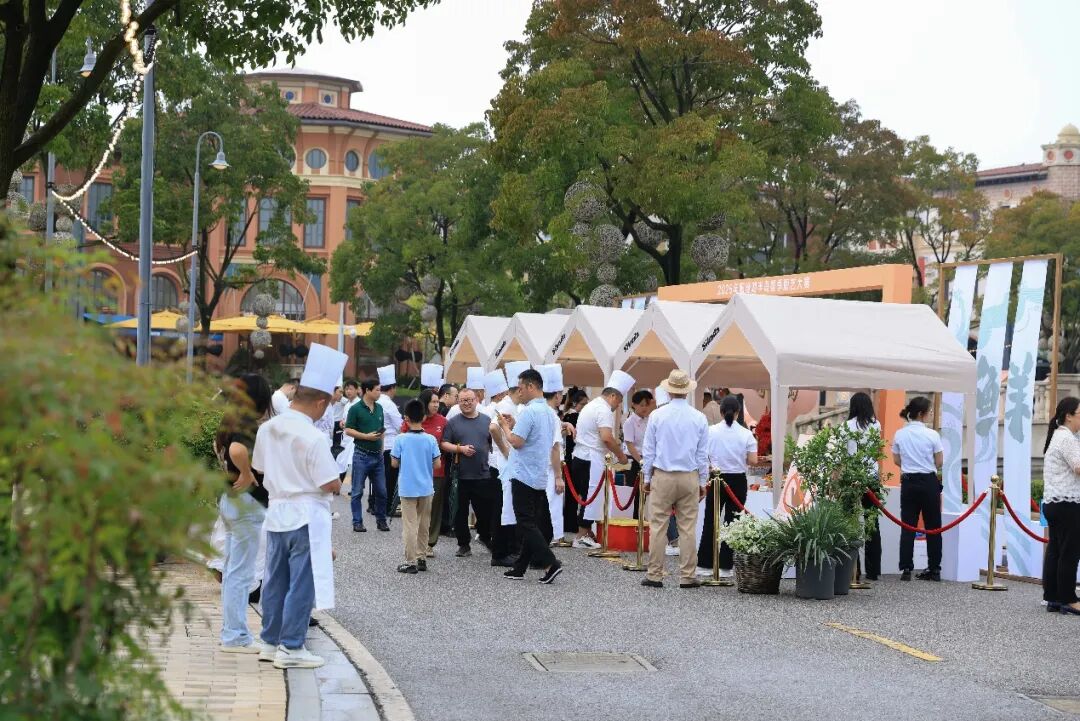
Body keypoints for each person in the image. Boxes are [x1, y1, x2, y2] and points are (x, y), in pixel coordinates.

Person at [253, 344, 346, 669]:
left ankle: (270, 641)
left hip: (277, 512)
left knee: (275, 581)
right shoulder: (313, 436)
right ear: (320, 401)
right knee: (301, 583)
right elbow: (330, 482)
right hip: (306, 515)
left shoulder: (268, 427)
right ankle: (291, 647)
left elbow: (259, 467)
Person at [215, 374, 272, 653]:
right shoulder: (247, 424)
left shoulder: (229, 422)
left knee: (232, 570)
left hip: (231, 500)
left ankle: (232, 630)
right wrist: (248, 473)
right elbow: (237, 450)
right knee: (240, 573)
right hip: (247, 504)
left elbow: (224, 450)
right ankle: (235, 635)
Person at [641, 369, 709, 590]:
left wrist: (647, 477)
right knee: (687, 528)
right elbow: (702, 455)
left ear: (669, 391)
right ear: (687, 391)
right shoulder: (699, 417)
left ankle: (655, 574)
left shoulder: (657, 416)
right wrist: (702, 481)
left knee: (658, 526)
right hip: (689, 475)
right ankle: (687, 576)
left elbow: (649, 450)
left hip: (663, 475)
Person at [499, 368, 564, 583]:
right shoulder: (548, 412)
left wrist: (505, 427)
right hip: (538, 473)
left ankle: (550, 563)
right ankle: (520, 568)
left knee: (526, 522)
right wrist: (514, 425)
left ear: (530, 386)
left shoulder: (529, 411)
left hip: (523, 473)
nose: (519, 392)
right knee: (531, 522)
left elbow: (517, 441)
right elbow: (534, 436)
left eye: (520, 387)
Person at [569, 371, 633, 548]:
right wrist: (621, 455)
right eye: (619, 401)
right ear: (613, 396)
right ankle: (582, 535)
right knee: (591, 496)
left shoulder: (592, 405)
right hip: (591, 458)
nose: (618, 405)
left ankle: (585, 532)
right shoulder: (603, 410)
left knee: (587, 495)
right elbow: (606, 437)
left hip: (582, 456)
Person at [699, 395, 757, 578]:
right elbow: (753, 460)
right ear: (738, 412)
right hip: (737, 480)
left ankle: (705, 564)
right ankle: (726, 566)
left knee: (710, 521)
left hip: (716, 478)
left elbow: (703, 455)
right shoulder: (746, 434)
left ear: (721, 412)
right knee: (732, 523)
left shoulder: (711, 431)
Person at [891, 396, 944, 582]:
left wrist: (910, 465)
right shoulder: (932, 435)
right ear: (922, 414)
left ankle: (906, 567)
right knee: (933, 526)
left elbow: (896, 460)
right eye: (929, 412)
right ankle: (934, 568)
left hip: (909, 481)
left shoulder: (900, 434)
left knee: (908, 525)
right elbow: (939, 461)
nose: (930, 414)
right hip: (928, 481)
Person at [392, 399, 442, 574]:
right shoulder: (431, 439)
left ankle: (410, 561)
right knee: (424, 524)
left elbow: (394, 463)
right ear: (423, 417)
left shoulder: (400, 439)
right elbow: (437, 464)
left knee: (410, 525)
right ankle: (422, 558)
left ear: (406, 418)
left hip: (407, 488)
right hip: (426, 487)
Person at [442, 387, 494, 558]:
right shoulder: (453, 422)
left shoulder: (487, 420)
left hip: (482, 474)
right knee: (460, 512)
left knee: (485, 511)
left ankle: (485, 536)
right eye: (463, 400)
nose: (467, 403)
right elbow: (444, 444)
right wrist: (460, 449)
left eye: (470, 400)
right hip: (460, 475)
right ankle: (463, 544)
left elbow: (493, 443)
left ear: (476, 400)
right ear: (458, 402)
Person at [1042, 396, 1080, 614]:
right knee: (1069, 551)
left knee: (1056, 550)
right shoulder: (1067, 438)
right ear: (1069, 416)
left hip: (1054, 502)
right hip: (1067, 503)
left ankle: (1053, 596)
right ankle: (1069, 598)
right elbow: (1078, 466)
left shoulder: (1058, 435)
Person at [490, 361, 531, 564]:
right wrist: (505, 450)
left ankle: (510, 549)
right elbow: (493, 428)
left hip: (510, 462)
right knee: (503, 508)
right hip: (502, 463)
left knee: (509, 508)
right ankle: (500, 553)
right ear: (519, 389)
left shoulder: (517, 406)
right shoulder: (505, 405)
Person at [407, 389, 448, 556]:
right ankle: (414, 542)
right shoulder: (412, 419)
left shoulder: (443, 421)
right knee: (414, 508)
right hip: (414, 471)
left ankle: (429, 543)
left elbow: (445, 442)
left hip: (436, 471)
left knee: (433, 508)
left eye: (438, 402)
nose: (437, 405)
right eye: (433, 402)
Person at [846, 392, 882, 581]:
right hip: (871, 476)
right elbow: (876, 451)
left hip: (853, 477)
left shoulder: (847, 426)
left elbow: (848, 454)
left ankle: (855, 570)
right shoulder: (876, 425)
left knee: (851, 523)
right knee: (872, 523)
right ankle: (873, 570)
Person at [345, 379, 388, 533]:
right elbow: (348, 430)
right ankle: (357, 522)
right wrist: (366, 437)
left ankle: (381, 521)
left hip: (378, 456)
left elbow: (382, 430)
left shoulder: (379, 408)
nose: (379, 393)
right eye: (377, 390)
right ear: (367, 390)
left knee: (382, 491)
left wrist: (381, 449)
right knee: (357, 491)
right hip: (361, 454)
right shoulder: (355, 409)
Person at [537, 364, 567, 546]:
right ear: (557, 395)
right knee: (551, 503)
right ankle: (552, 536)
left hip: (537, 466)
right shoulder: (552, 416)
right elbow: (554, 447)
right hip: (549, 467)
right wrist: (558, 476)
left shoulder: (538, 411)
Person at [376, 365, 403, 518]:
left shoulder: (376, 400)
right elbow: (400, 426)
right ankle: (387, 507)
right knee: (390, 479)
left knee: (379, 478)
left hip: (378, 444)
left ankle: (376, 505)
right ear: (392, 388)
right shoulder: (389, 404)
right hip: (390, 446)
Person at [623, 389, 655, 486]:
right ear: (634, 405)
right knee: (634, 489)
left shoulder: (648, 420)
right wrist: (641, 462)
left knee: (646, 489)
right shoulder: (629, 422)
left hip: (647, 458)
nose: (644, 408)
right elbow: (630, 446)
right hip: (634, 460)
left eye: (647, 405)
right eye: (641, 405)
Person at [334, 380, 361, 481]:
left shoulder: (360, 404)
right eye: (346, 389)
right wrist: (342, 422)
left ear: (357, 390)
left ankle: (353, 485)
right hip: (346, 438)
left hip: (354, 438)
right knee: (341, 462)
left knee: (351, 463)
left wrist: (348, 424)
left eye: (351, 389)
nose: (348, 391)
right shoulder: (347, 404)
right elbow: (344, 419)